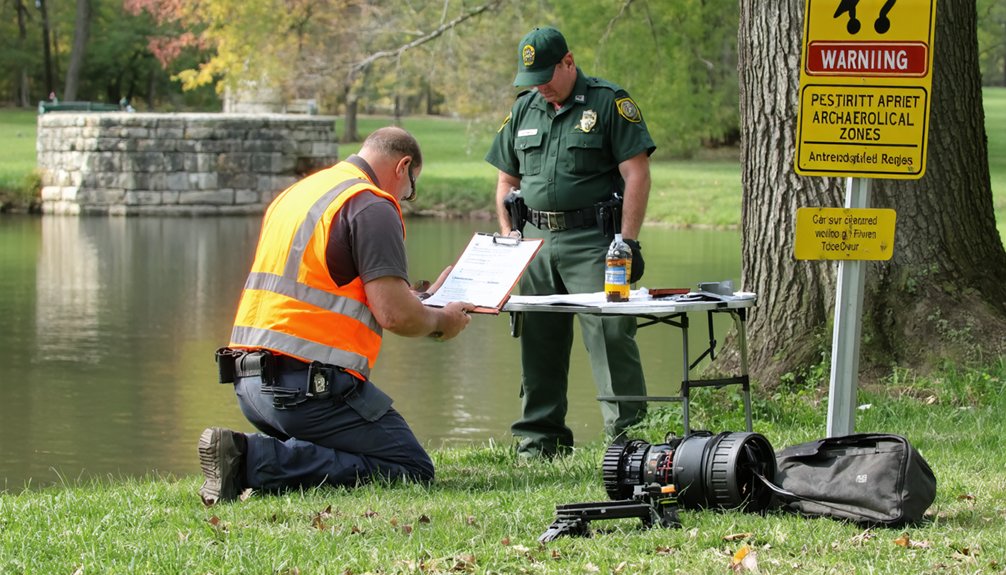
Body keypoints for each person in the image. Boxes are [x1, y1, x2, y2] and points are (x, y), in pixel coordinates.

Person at [199, 127, 475, 505]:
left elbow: (329, 285)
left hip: (250, 385)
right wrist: (443, 323)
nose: (405, 198)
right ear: (403, 166)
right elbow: (393, 315)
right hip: (305, 389)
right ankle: (250, 459)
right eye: (410, 189)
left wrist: (427, 299)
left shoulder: (302, 193)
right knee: (410, 467)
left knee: (364, 454)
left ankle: (259, 454)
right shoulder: (372, 204)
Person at [485, 26, 656, 458]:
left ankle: (627, 442)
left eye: (546, 76)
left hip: (593, 241)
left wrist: (628, 242)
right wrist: (509, 235)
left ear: (569, 61)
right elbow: (507, 179)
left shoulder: (608, 101)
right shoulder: (524, 109)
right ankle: (541, 441)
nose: (540, 87)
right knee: (538, 339)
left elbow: (636, 172)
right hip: (536, 242)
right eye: (532, 80)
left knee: (610, 335)